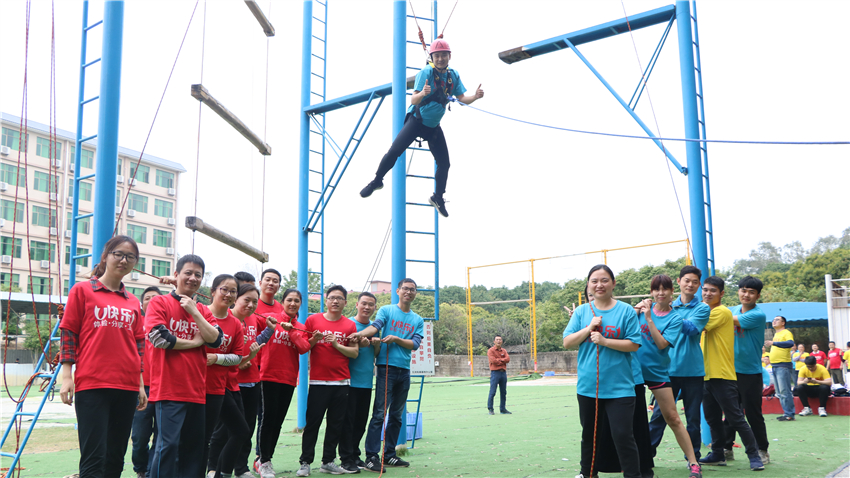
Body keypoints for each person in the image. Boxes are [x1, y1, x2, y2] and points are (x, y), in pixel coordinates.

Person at [359, 38, 484, 218]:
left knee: (445, 163)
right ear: (432, 57)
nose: (440, 59)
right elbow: (413, 99)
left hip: (433, 127)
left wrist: (475, 97)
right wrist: (423, 93)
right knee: (394, 151)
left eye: (443, 55)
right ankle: (377, 181)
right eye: (437, 56)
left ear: (449, 56)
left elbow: (462, 99)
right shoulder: (426, 72)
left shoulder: (453, 75)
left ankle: (438, 197)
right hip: (417, 122)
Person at [58, 235, 146, 478]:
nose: (124, 260)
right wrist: (67, 376)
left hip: (127, 386)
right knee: (93, 457)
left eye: (130, 257)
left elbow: (139, 344)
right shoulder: (83, 290)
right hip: (93, 383)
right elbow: (69, 332)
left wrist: (140, 384)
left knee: (116, 457)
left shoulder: (133, 301)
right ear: (106, 256)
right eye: (118, 254)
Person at [145, 254, 224, 478]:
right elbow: (160, 338)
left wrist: (195, 312)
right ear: (176, 275)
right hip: (168, 389)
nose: (192, 278)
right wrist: (196, 342)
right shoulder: (159, 302)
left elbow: (216, 340)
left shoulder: (203, 311)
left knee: (193, 449)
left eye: (197, 275)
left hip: (197, 391)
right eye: (188, 273)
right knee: (167, 446)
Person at [562, 265, 641, 478]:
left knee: (623, 435)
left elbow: (634, 344)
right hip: (589, 387)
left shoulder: (625, 311)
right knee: (590, 436)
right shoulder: (581, 312)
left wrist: (605, 341)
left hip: (620, 388)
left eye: (604, 280)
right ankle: (587, 473)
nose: (599, 285)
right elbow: (567, 342)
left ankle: (633, 475)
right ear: (588, 284)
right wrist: (588, 328)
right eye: (594, 281)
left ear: (613, 284)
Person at [351, 278, 425, 473]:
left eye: (413, 290)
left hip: (404, 370)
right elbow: (374, 327)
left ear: (415, 294)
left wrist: (396, 339)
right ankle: (371, 456)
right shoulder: (386, 310)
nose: (409, 292)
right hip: (386, 368)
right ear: (398, 291)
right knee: (379, 414)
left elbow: (415, 344)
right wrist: (360, 335)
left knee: (397, 416)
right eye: (406, 289)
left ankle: (389, 455)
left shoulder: (418, 319)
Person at [634, 275, 701, 477]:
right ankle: (633, 462)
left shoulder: (675, 318)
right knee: (631, 420)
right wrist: (637, 310)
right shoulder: (640, 310)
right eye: (656, 289)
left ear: (672, 292)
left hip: (658, 372)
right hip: (634, 372)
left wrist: (648, 319)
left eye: (665, 289)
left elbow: (662, 344)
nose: (660, 293)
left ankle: (693, 463)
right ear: (651, 292)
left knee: (672, 417)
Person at [698, 276, 764, 471]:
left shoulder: (721, 312)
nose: (708, 294)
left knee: (739, 416)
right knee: (713, 418)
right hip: (706, 373)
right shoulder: (721, 310)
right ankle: (719, 452)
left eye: (713, 291)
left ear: (721, 294)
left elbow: (694, 325)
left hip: (728, 373)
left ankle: (756, 454)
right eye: (705, 290)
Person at [648, 266, 710, 462]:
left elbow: (692, 329)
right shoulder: (663, 306)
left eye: (694, 282)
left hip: (693, 371)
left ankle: (693, 459)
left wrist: (665, 312)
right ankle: (647, 455)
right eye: (686, 280)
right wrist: (658, 309)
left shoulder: (702, 308)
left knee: (692, 419)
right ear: (678, 282)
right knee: (659, 416)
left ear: (699, 284)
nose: (690, 285)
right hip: (667, 370)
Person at [296, 286, 359, 477]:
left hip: (341, 383)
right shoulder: (312, 320)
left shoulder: (350, 325)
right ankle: (305, 462)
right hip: (318, 382)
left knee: (335, 424)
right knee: (312, 424)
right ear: (326, 300)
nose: (335, 301)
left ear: (345, 303)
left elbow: (354, 353)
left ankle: (328, 461)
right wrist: (315, 339)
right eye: (332, 298)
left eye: (339, 298)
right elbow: (305, 346)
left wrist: (336, 344)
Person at [208, 284, 266, 478]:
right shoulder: (212, 318)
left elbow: (236, 358)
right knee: (222, 432)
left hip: (234, 385)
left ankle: (228, 471)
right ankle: (213, 470)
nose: (250, 305)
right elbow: (231, 359)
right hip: (214, 386)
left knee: (241, 430)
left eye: (254, 302)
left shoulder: (241, 323)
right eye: (246, 300)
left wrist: (248, 357)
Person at [255, 289, 311, 478]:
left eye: (297, 301)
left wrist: (292, 331)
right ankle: (262, 460)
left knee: (278, 422)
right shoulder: (270, 318)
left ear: (300, 305)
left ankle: (267, 459)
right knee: (267, 419)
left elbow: (304, 348)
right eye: (289, 300)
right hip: (267, 376)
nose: (293, 303)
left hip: (288, 379)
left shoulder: (300, 327)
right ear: (283, 301)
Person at [201, 275, 250, 478]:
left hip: (219, 388)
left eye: (233, 291)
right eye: (224, 289)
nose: (228, 294)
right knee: (198, 439)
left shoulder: (235, 324)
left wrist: (217, 358)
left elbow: (237, 357)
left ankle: (221, 473)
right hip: (193, 387)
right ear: (213, 291)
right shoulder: (199, 313)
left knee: (240, 431)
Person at [723, 276, 770, 464]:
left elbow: (727, 318)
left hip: (750, 371)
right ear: (738, 291)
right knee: (730, 411)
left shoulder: (758, 314)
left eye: (751, 292)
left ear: (758, 295)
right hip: (729, 370)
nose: (746, 294)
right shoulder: (731, 310)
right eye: (743, 290)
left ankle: (762, 449)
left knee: (752, 413)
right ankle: (726, 448)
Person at [339, 292, 381, 473]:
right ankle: (345, 458)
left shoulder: (374, 328)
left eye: (370, 305)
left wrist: (376, 344)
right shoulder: (347, 324)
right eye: (363, 303)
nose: (366, 307)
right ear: (356, 305)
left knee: (360, 423)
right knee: (347, 422)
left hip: (366, 383)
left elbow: (376, 354)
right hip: (348, 381)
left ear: (374, 308)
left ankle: (355, 455)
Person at [252, 268, 283, 472]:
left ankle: (262, 458)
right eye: (268, 280)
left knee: (273, 417)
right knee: (260, 417)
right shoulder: (253, 304)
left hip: (276, 370)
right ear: (260, 282)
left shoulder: (281, 308)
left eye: (275, 281)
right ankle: (258, 459)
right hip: (255, 368)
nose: (271, 283)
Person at [131, 286, 163, 478]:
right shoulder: (135, 323)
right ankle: (141, 469)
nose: (150, 301)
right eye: (147, 298)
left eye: (155, 298)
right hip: (140, 388)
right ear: (141, 304)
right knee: (139, 436)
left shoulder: (166, 325)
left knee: (161, 436)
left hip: (163, 387)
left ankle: (152, 470)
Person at [767, 316, 795, 421]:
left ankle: (789, 414)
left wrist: (773, 343)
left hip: (783, 365)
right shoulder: (777, 334)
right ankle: (786, 413)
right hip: (775, 365)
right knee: (779, 392)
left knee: (784, 391)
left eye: (777, 320)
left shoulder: (786, 333)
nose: (774, 321)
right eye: (773, 319)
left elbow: (790, 343)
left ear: (783, 323)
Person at [487, 335, 511, 415]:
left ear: (502, 341)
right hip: (495, 373)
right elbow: (493, 361)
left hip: (503, 373)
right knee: (493, 391)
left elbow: (508, 359)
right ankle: (490, 409)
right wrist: (502, 361)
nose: (498, 341)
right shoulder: (491, 350)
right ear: (494, 341)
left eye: (500, 339)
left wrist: (500, 360)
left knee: (503, 392)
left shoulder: (504, 351)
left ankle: (502, 409)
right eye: (497, 339)